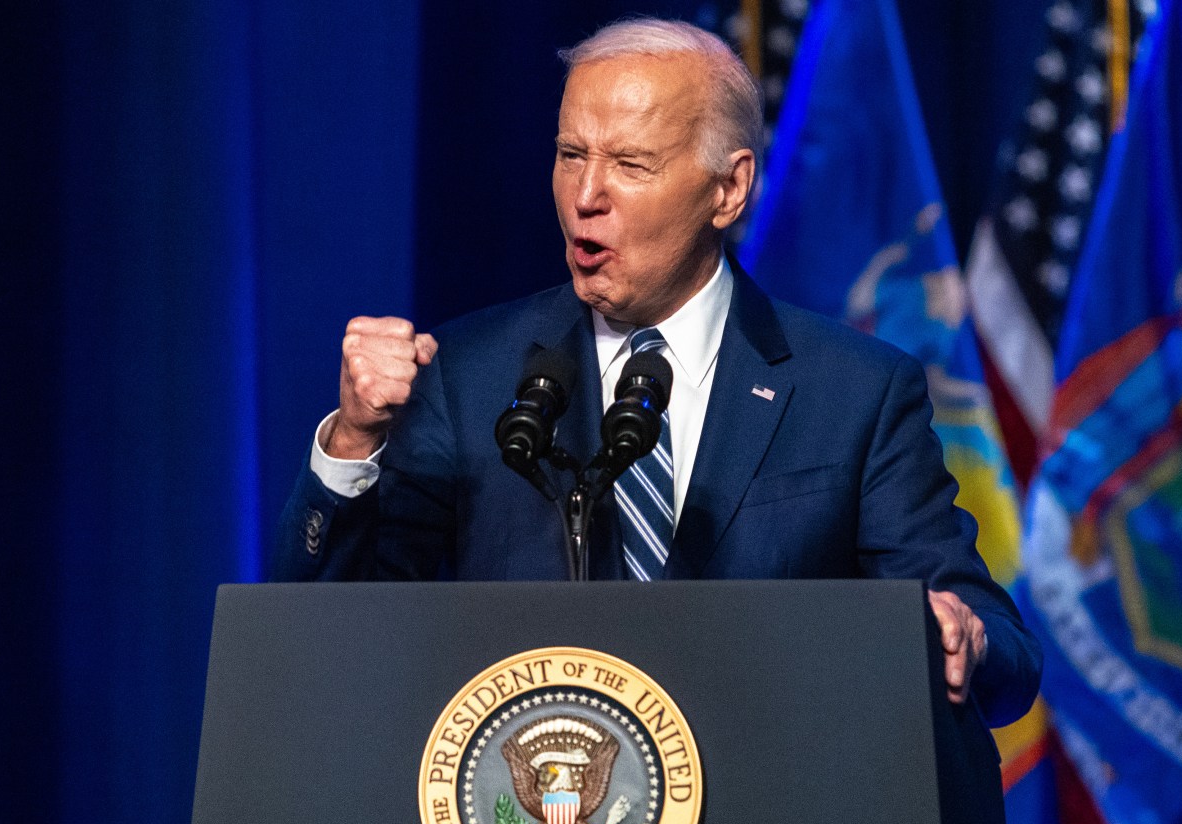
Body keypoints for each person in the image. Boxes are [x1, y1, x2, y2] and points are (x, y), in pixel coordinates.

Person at [270, 18, 1040, 727]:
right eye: (571, 155)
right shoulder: (470, 378)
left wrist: (963, 637)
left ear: (727, 189)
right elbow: (326, 644)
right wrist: (353, 443)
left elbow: (1002, 652)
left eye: (630, 164)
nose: (585, 197)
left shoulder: (857, 394)